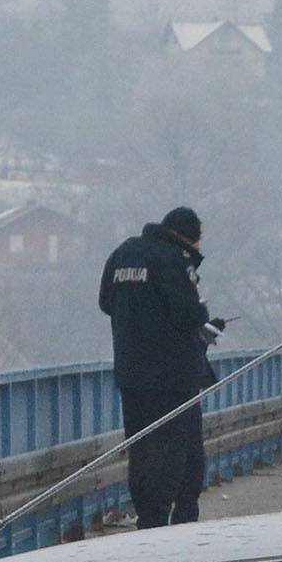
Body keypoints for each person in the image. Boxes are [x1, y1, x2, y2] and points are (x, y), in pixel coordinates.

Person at [98, 206, 226, 526]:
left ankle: (147, 516)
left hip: (131, 374)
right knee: (178, 451)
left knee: (141, 451)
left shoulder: (123, 253)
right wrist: (205, 320)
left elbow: (105, 302)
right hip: (174, 377)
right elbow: (188, 315)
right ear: (186, 237)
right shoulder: (173, 258)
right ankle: (177, 519)